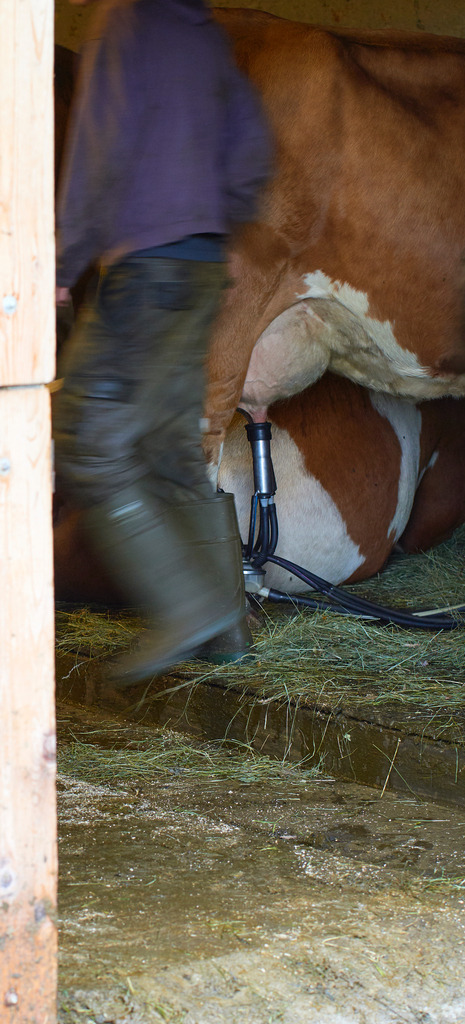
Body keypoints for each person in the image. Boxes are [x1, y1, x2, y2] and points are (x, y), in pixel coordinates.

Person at [53, 0, 272, 686]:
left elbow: (99, 147)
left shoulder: (125, 21)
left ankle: (186, 607)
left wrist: (61, 266)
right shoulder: (203, 33)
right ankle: (229, 630)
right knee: (173, 451)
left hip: (142, 270)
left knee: (88, 441)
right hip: (199, 266)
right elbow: (251, 149)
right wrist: (212, 226)